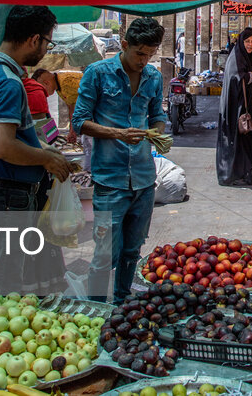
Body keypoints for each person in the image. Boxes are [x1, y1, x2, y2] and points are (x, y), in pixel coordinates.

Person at [0, 5, 72, 293]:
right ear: (33, 39)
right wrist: (45, 159)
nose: (46, 50)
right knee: (5, 286)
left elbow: (15, 136)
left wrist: (46, 152)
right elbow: (2, 145)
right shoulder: (8, 83)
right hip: (5, 198)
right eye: (48, 42)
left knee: (2, 276)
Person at [72, 17, 167, 303]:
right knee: (104, 256)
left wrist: (156, 133)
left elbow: (158, 116)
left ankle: (123, 303)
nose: (144, 60)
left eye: (149, 55)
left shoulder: (153, 77)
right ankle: (97, 308)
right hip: (110, 182)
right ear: (124, 45)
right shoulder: (97, 73)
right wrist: (117, 134)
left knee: (132, 251)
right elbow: (79, 122)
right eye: (139, 53)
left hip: (143, 180)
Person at [216, 27, 252, 186]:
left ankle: (248, 172)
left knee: (247, 140)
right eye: (247, 41)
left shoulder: (250, 57)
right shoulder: (235, 57)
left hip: (247, 107)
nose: (250, 45)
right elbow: (236, 80)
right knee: (236, 139)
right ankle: (232, 173)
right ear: (241, 42)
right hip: (235, 108)